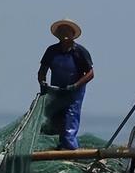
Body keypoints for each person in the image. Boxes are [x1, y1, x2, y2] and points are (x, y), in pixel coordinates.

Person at [37, 18, 94, 150]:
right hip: (56, 92)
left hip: (74, 93)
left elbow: (90, 73)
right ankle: (60, 147)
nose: (65, 33)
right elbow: (42, 72)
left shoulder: (79, 52)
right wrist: (43, 83)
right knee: (54, 121)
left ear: (73, 34)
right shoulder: (51, 51)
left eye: (68, 30)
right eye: (62, 31)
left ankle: (71, 152)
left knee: (69, 123)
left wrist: (75, 86)